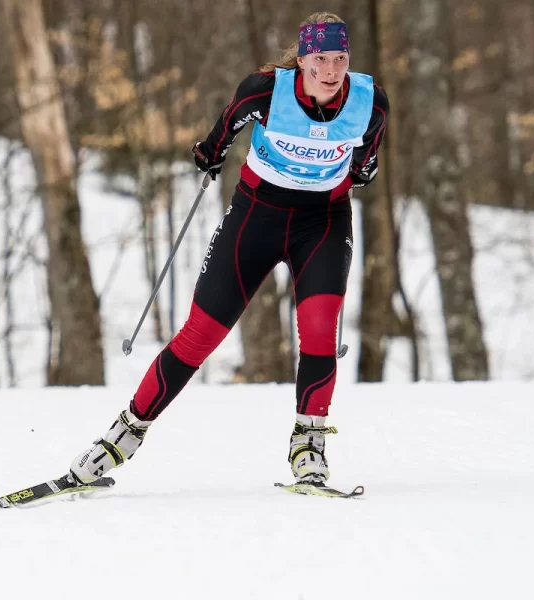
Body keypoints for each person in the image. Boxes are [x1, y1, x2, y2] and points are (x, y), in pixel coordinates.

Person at [69, 12, 389, 487]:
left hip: (322, 221)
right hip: (256, 217)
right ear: (302, 59)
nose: (331, 70)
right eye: (320, 58)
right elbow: (221, 134)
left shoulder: (370, 102)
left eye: (340, 58)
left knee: (319, 331)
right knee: (200, 334)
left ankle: (309, 446)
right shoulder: (264, 91)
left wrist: (361, 171)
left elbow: (366, 159)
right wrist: (209, 155)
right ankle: (122, 437)